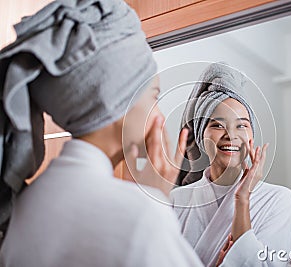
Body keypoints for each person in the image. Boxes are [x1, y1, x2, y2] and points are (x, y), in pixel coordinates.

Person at [0, 1, 204, 266]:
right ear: (116, 103)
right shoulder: (141, 219)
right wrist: (157, 208)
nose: (160, 115)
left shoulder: (25, 207)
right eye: (155, 95)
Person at [170, 62, 291, 266]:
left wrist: (243, 200)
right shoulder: (175, 200)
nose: (231, 135)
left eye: (241, 125)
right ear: (202, 134)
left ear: (251, 135)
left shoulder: (279, 200)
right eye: (217, 125)